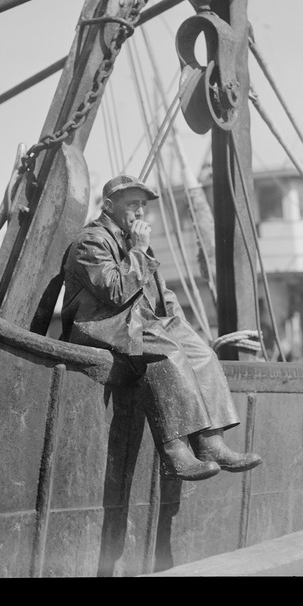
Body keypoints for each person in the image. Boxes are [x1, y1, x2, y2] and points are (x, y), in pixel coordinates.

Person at [61, 174, 262, 481]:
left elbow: (160, 293)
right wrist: (140, 251)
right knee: (165, 352)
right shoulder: (91, 241)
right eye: (132, 204)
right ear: (110, 205)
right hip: (102, 326)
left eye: (142, 205)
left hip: (139, 323)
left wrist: (179, 324)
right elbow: (115, 292)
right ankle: (175, 451)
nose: (140, 212)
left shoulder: (131, 238)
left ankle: (211, 443)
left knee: (201, 352)